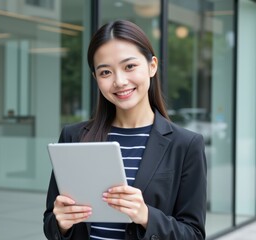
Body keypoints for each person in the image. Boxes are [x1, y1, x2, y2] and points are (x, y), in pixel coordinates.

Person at [43, 20, 207, 240]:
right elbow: (51, 224)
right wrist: (61, 223)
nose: (119, 81)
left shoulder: (185, 145)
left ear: (152, 66)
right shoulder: (74, 137)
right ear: (96, 79)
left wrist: (146, 216)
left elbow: (194, 234)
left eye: (129, 66)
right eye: (105, 72)